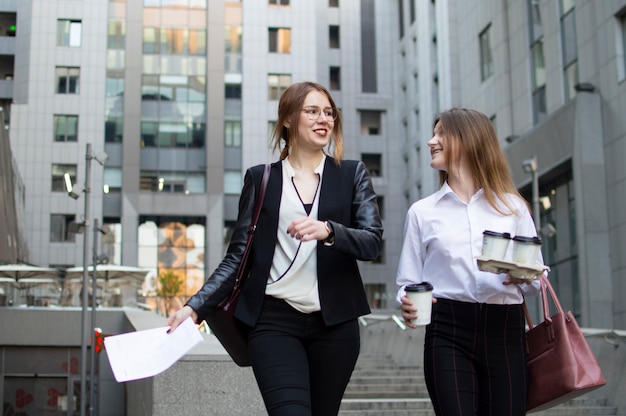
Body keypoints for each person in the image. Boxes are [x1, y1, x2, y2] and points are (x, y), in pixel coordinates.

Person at [167, 81, 383, 416]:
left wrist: (329, 231)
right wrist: (194, 308)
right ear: (288, 119)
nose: (323, 119)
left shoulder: (351, 174)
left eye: (329, 112)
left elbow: (372, 242)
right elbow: (237, 257)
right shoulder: (262, 179)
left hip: (336, 325)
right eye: (311, 111)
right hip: (273, 321)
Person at [395, 108, 543, 415]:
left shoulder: (513, 208)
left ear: (468, 140)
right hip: (447, 329)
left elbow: (537, 280)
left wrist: (522, 275)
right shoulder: (422, 212)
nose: (430, 141)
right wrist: (406, 302)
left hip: (505, 332)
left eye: (440, 134)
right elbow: (408, 282)